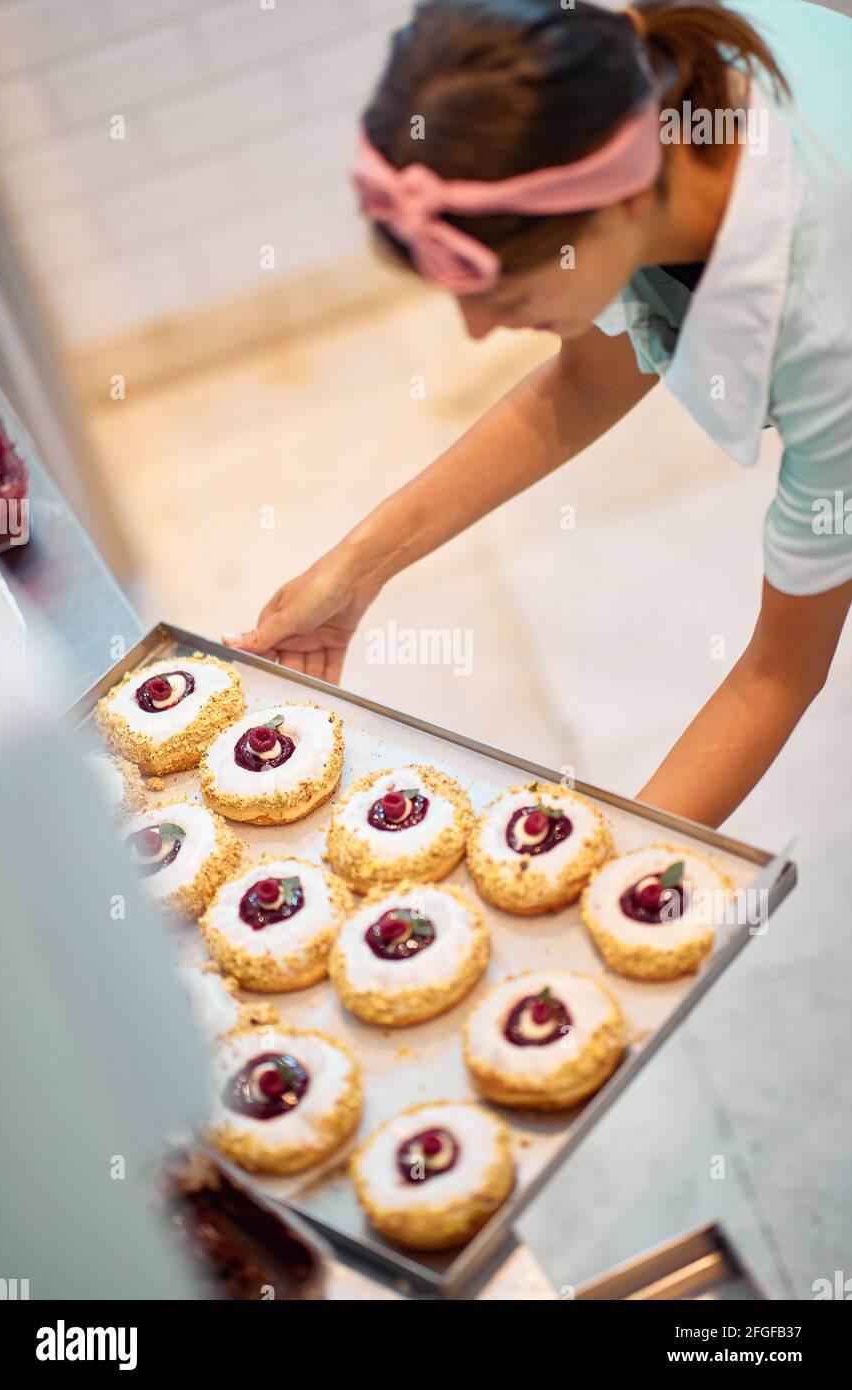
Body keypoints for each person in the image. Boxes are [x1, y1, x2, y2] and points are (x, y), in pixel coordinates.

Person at [225, 0, 852, 829]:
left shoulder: (825, 326)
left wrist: (600, 873)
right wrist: (357, 568)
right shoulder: (624, 101)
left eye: (508, 298)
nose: (480, 331)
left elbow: (779, 672)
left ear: (617, 211)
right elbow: (592, 378)